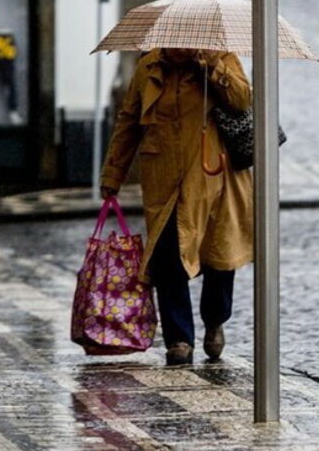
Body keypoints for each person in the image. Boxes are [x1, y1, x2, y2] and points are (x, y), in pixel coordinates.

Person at [100, 47, 253, 366]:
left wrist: (212, 67)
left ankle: (215, 320)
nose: (179, 47)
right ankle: (179, 338)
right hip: (164, 180)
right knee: (167, 257)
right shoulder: (148, 67)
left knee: (218, 257)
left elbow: (242, 100)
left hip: (214, 176)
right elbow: (128, 122)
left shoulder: (219, 58)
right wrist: (113, 174)